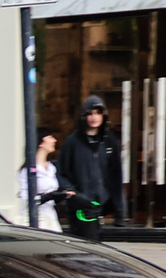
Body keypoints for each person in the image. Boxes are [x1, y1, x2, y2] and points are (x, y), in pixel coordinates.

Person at [53, 96, 121, 236]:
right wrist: (73, 193)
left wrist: (119, 211)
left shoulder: (110, 141)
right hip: (81, 206)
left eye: (97, 112)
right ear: (84, 117)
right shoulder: (73, 141)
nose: (94, 117)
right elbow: (62, 171)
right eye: (90, 113)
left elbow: (116, 176)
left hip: (103, 205)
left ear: (103, 115)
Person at [23, 129, 60, 229]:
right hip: (37, 218)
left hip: (51, 216)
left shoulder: (51, 168)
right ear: (41, 142)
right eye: (50, 137)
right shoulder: (27, 170)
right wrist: (46, 197)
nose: (54, 140)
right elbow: (26, 198)